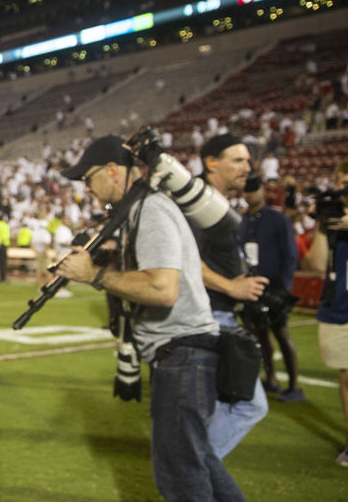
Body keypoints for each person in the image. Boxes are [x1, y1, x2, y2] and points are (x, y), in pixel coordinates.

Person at [56, 135, 246, 501]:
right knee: (199, 460)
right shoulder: (139, 209)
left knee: (180, 473)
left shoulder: (152, 209)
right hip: (181, 353)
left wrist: (94, 276)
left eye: (89, 178)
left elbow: (162, 289)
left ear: (112, 172)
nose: (87, 188)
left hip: (183, 352)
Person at [196, 134, 269, 458]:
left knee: (220, 406)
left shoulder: (215, 201)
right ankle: (189, 476)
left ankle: (189, 478)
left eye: (248, 160)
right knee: (247, 405)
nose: (247, 167)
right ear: (212, 162)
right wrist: (230, 287)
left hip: (219, 315)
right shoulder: (197, 202)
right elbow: (181, 258)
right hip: (208, 317)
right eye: (237, 160)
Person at [236, 174, 303, 401]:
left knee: (282, 334)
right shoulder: (243, 221)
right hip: (252, 286)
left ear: (262, 191)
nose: (249, 195)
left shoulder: (278, 219)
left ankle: (294, 385)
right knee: (260, 334)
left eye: (253, 190)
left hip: (274, 288)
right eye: (246, 191)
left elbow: (290, 256)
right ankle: (271, 378)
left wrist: (284, 289)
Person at [302, 160, 348, 466]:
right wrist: (322, 224)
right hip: (339, 305)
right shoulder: (334, 223)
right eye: (342, 182)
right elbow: (316, 265)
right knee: (346, 376)